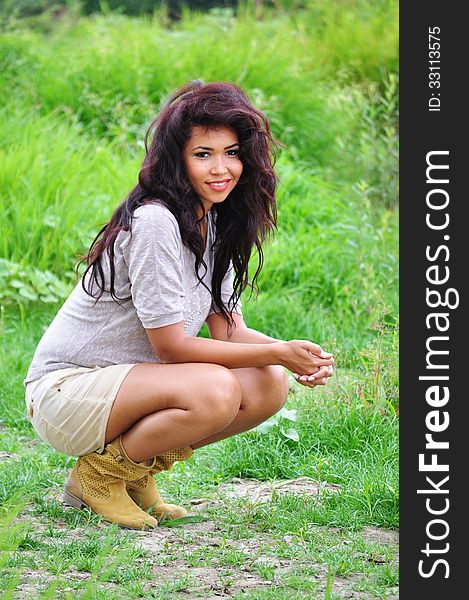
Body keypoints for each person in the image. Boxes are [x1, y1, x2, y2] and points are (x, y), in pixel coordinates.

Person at [24, 81, 334, 530]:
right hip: (68, 392)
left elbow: (228, 330)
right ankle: (98, 477)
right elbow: (171, 347)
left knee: (268, 384)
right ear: (177, 160)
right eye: (203, 154)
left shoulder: (216, 221)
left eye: (231, 152)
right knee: (215, 388)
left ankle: (135, 473)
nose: (221, 168)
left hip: (132, 389)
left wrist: (293, 356)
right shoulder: (155, 221)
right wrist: (276, 352)